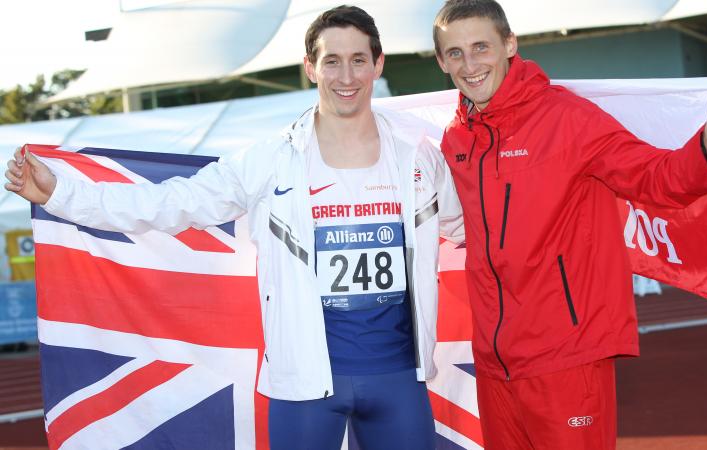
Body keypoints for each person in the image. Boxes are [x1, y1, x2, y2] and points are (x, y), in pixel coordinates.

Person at [5, 6, 463, 450]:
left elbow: (471, 228)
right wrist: (61, 194)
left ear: (377, 63)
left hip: (400, 379)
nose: (346, 77)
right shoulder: (269, 160)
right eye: (332, 61)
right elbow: (169, 203)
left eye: (359, 60)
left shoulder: (418, 157)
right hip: (303, 385)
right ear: (310, 68)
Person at [430, 1, 707, 449]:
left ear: (509, 44)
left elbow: (655, 178)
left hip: (567, 356)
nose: (470, 65)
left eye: (481, 47)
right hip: (492, 364)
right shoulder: (456, 138)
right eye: (455, 53)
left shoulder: (567, 118)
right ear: (441, 61)